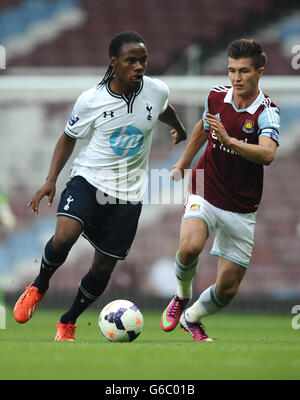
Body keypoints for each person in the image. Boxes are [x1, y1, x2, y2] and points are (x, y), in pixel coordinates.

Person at [13, 31, 186, 341]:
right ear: (114, 62)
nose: (138, 67)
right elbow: (68, 137)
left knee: (103, 268)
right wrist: (51, 180)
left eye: (142, 60)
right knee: (65, 236)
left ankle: (68, 321)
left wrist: (178, 128)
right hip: (89, 180)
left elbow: (164, 109)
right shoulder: (92, 100)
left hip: (128, 194)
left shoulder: (157, 90)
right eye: (131, 61)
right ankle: (39, 285)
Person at [161, 39, 280, 341]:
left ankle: (192, 317)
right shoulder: (216, 96)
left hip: (242, 207)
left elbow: (267, 154)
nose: (236, 78)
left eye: (243, 71)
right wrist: (184, 161)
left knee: (227, 290)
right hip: (206, 188)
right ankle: (180, 296)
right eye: (231, 71)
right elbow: (204, 126)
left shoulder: (267, 112)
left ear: (259, 72)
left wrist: (231, 142)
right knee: (189, 247)